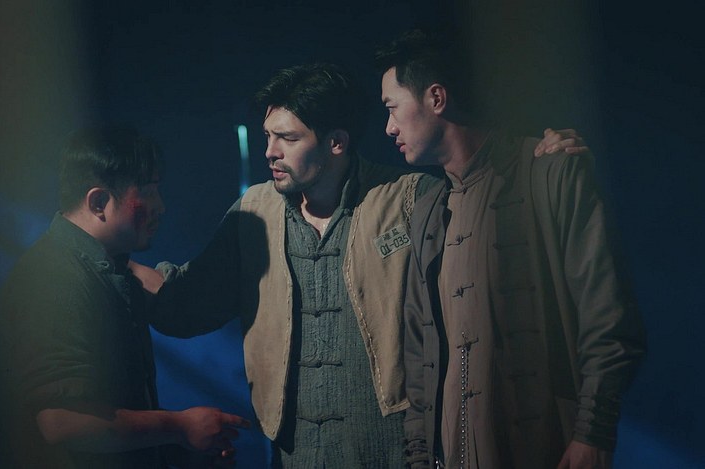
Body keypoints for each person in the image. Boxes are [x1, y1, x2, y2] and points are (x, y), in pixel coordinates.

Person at [130, 64, 582, 468]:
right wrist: (105, 259)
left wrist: (538, 162)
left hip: (395, 451)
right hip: (295, 456)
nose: (271, 151)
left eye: (288, 138)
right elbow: (187, 302)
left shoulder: (408, 199)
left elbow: (494, 236)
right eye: (268, 136)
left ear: (336, 143)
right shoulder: (255, 212)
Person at [375, 30, 647, 468]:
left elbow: (608, 318)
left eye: (392, 108)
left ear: (437, 98)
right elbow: (419, 353)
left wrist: (592, 433)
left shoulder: (549, 173)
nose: (389, 127)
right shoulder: (428, 211)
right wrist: (420, 458)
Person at [0, 126, 249, 469]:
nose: (160, 206)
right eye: (148, 191)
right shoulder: (55, 279)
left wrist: (179, 446)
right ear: (98, 202)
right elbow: (63, 422)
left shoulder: (103, 270)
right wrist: (179, 427)